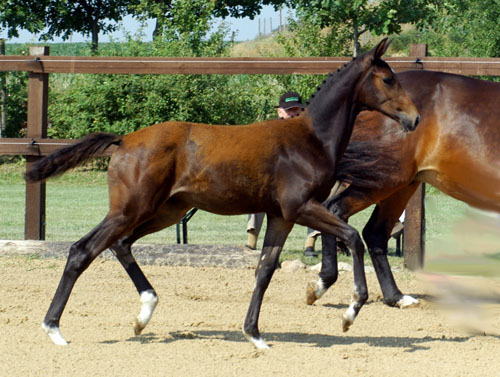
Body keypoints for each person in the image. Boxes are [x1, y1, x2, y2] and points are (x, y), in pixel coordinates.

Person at [246, 91, 313, 252]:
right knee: (258, 195)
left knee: (317, 198)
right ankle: (251, 243)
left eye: (297, 110)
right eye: (290, 110)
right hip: (274, 182)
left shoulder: (309, 132)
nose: (294, 113)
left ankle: (310, 245)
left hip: (301, 182)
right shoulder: (268, 131)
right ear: (280, 112)